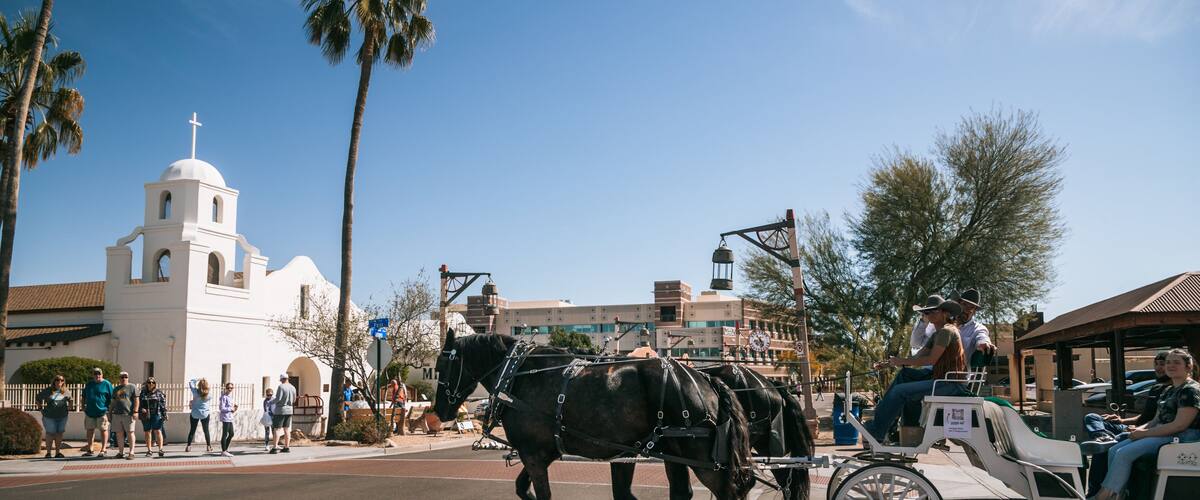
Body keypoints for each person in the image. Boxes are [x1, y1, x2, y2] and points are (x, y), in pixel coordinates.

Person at [1090, 349, 1200, 500]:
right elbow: (1155, 421)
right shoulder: (1168, 390)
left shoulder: (1191, 390)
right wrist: (1138, 431)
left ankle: (1104, 496)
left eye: (1176, 362)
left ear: (1188, 367)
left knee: (1124, 453)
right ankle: (1118, 494)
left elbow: (1180, 425)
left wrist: (1144, 434)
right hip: (1164, 433)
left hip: (1182, 438)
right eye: (1168, 362)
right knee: (1114, 449)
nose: (1170, 365)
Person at [864, 295, 967, 443]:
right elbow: (918, 356)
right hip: (940, 379)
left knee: (901, 391)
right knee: (905, 375)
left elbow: (931, 360)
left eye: (933, 311)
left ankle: (877, 431)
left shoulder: (947, 331)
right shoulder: (938, 333)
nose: (928, 314)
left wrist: (899, 361)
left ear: (945, 313)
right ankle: (899, 428)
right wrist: (890, 363)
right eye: (926, 312)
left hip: (951, 384)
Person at [1084, 351, 1170, 443]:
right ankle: (1103, 436)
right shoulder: (1156, 388)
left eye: (1162, 364)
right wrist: (1121, 420)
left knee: (1115, 441)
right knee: (1092, 417)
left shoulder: (1176, 391)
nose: (1158, 368)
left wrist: (1138, 430)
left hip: (1148, 432)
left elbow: (1159, 422)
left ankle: (1106, 442)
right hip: (1135, 429)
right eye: (1156, 364)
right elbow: (1144, 417)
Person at [36, 375, 71, 459]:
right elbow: (38, 398)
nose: (59, 382)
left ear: (63, 382)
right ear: (54, 381)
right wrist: (41, 409)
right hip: (49, 417)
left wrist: (68, 409)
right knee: (50, 433)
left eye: (61, 380)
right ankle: (48, 453)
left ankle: (58, 452)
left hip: (62, 416)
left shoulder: (65, 391)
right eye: (57, 380)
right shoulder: (48, 391)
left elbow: (70, 400)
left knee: (59, 434)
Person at [953, 289, 995, 357]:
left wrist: (984, 343)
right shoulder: (943, 322)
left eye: (971, 307)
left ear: (975, 312)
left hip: (962, 367)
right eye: (964, 304)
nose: (967, 309)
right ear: (958, 304)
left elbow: (982, 336)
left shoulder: (978, 329)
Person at [82, 367, 114, 457]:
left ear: (102, 374)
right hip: (90, 412)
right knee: (90, 430)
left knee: (103, 430)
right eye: (95, 374)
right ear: (93, 375)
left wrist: (109, 410)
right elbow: (83, 396)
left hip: (102, 412)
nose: (97, 376)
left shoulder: (107, 384)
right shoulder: (89, 384)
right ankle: (90, 449)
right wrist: (82, 406)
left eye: (99, 374)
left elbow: (112, 398)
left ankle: (103, 449)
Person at [109, 371, 139, 460]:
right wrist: (110, 412)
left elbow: (137, 399)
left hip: (128, 414)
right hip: (117, 414)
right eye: (122, 377)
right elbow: (113, 402)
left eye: (125, 377)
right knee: (119, 434)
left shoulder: (132, 387)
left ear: (128, 378)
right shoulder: (116, 389)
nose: (123, 379)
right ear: (119, 378)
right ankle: (121, 452)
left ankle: (132, 452)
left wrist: (135, 411)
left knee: (130, 432)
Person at [138, 377, 168, 457]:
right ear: (146, 383)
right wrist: (141, 409)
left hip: (156, 414)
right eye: (149, 382)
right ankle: (149, 450)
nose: (151, 384)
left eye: (153, 382)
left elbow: (163, 404)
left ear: (155, 384)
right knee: (147, 432)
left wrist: (165, 414)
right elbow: (139, 403)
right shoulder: (143, 393)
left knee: (158, 431)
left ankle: (160, 449)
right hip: (146, 415)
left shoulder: (159, 392)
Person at [270, 374, 296, 454]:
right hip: (290, 410)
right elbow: (294, 400)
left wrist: (270, 402)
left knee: (277, 429)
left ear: (282, 379)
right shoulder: (293, 387)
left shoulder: (281, 387)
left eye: (281, 380)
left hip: (280, 410)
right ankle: (287, 447)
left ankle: (274, 448)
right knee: (287, 429)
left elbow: (278, 399)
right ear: (287, 378)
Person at [187, 378, 213, 453]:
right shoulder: (209, 395)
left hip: (195, 413)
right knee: (206, 430)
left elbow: (191, 382)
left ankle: (188, 446)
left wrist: (197, 379)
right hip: (205, 414)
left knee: (192, 430)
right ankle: (208, 446)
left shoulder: (195, 392)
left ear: (199, 385)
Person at [218, 382, 238, 457]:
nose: (230, 389)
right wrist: (230, 409)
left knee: (231, 433)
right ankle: (224, 451)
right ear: (226, 388)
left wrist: (234, 408)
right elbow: (221, 408)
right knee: (225, 434)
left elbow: (231, 408)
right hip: (225, 417)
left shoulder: (230, 397)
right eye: (228, 388)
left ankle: (225, 449)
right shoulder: (224, 397)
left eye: (231, 388)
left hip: (230, 417)